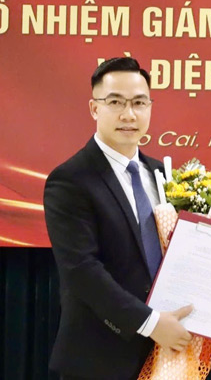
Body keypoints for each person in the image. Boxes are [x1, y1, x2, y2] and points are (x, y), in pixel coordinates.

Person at [44, 57, 193, 380]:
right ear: (94, 108)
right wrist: (151, 324)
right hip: (100, 359)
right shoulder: (70, 180)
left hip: (166, 356)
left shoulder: (162, 175)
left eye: (139, 102)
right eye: (115, 102)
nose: (129, 114)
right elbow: (81, 271)